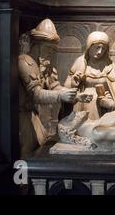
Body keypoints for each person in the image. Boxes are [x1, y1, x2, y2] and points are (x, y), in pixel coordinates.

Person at [18, 19, 90, 158]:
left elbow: (55, 87)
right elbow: (36, 94)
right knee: (27, 150)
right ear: (37, 46)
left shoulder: (45, 65)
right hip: (23, 117)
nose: (51, 53)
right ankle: (23, 178)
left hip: (35, 115)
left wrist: (75, 96)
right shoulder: (25, 62)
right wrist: (61, 96)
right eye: (48, 49)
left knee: (40, 146)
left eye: (52, 49)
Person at [65, 31, 115, 120]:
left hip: (103, 106)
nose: (100, 51)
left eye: (103, 48)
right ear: (89, 47)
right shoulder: (80, 62)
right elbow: (66, 88)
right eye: (97, 47)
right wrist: (74, 83)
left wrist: (111, 103)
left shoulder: (111, 67)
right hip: (82, 103)